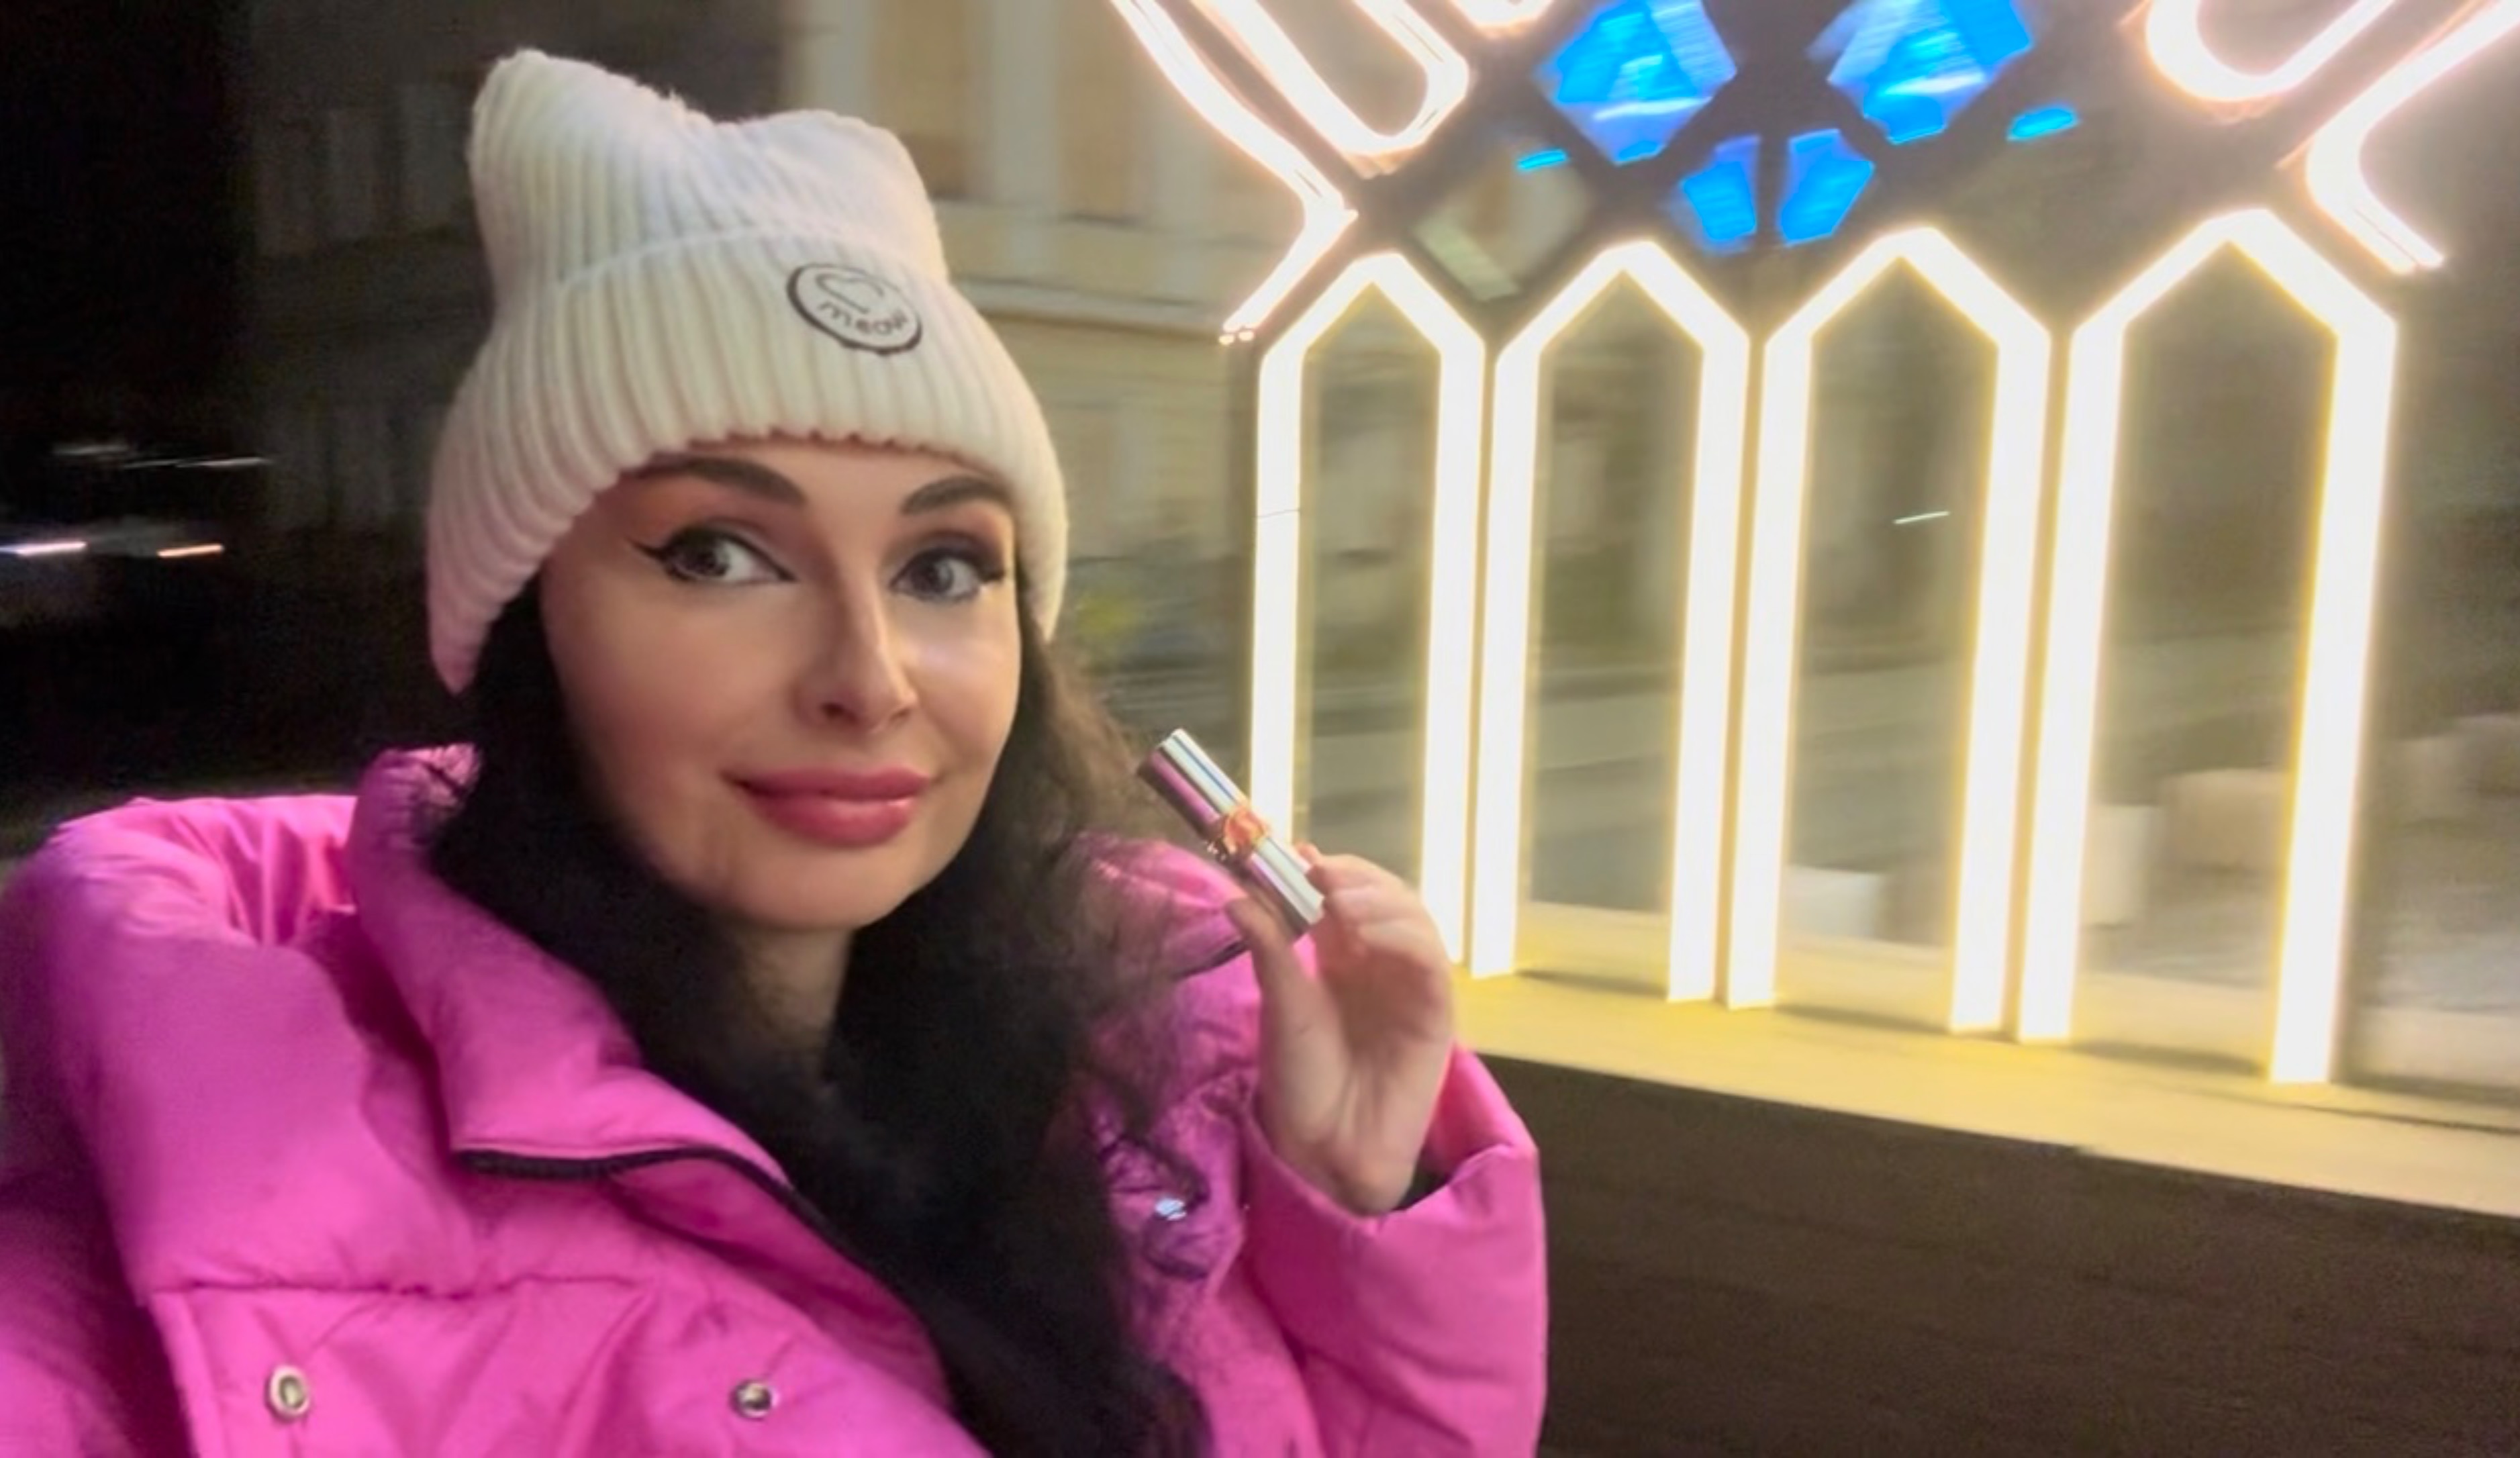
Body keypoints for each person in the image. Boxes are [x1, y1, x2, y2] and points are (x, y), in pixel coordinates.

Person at [0, 51, 1546, 1455]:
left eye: (944, 567)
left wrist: (1350, 1210)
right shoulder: (188, 1208)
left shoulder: (1154, 1074)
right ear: (529, 625)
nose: (869, 680)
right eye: (720, 555)